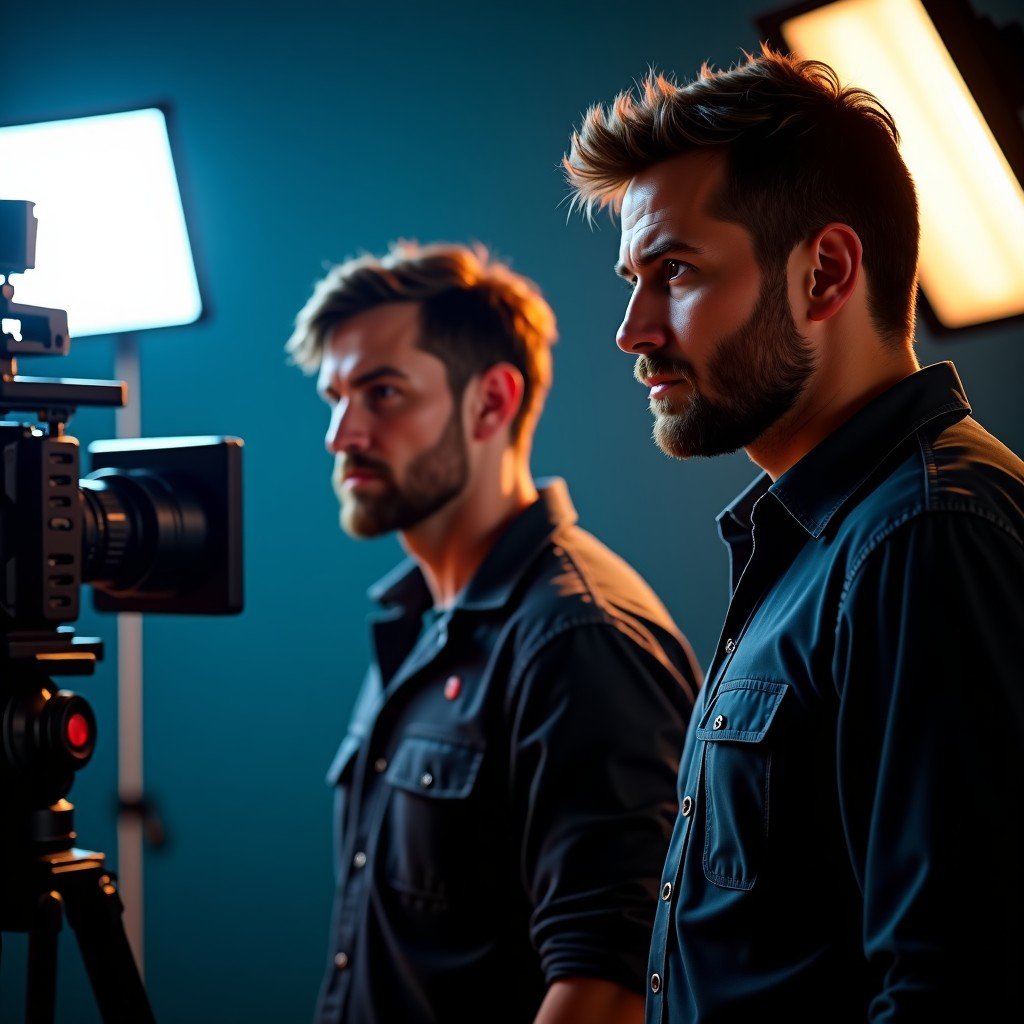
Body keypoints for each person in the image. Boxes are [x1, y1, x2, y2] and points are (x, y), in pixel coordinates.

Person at [563, 45, 1024, 1022]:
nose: (631, 328)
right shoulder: (822, 542)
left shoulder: (926, 534)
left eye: (673, 271)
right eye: (631, 277)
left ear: (824, 271)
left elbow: (955, 984)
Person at [286, 242, 700, 1024]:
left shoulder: (579, 637)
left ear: (491, 401)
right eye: (334, 397)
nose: (342, 434)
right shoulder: (418, 625)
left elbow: (608, 988)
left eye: (381, 393)